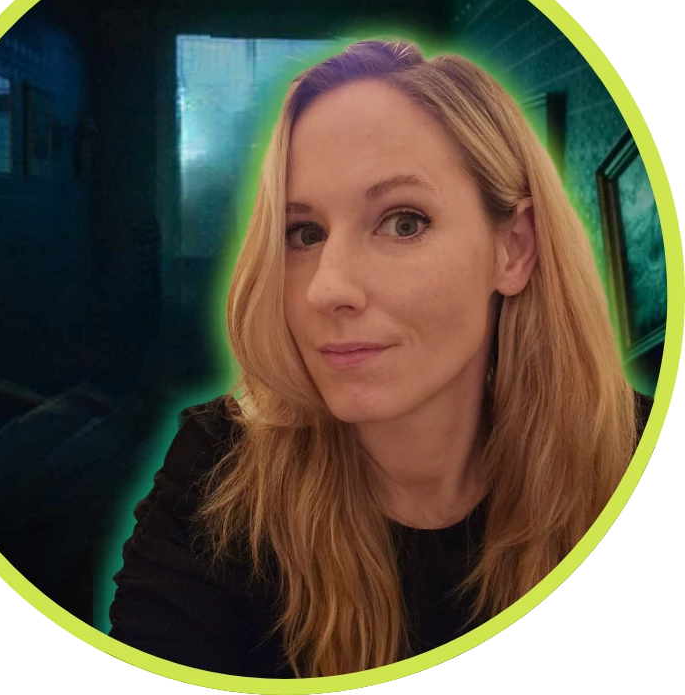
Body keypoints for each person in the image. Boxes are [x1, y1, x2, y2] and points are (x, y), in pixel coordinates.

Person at [108, 39, 655, 679]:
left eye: (403, 222)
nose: (327, 288)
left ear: (514, 248)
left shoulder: (629, 453)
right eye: (304, 233)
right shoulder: (221, 470)